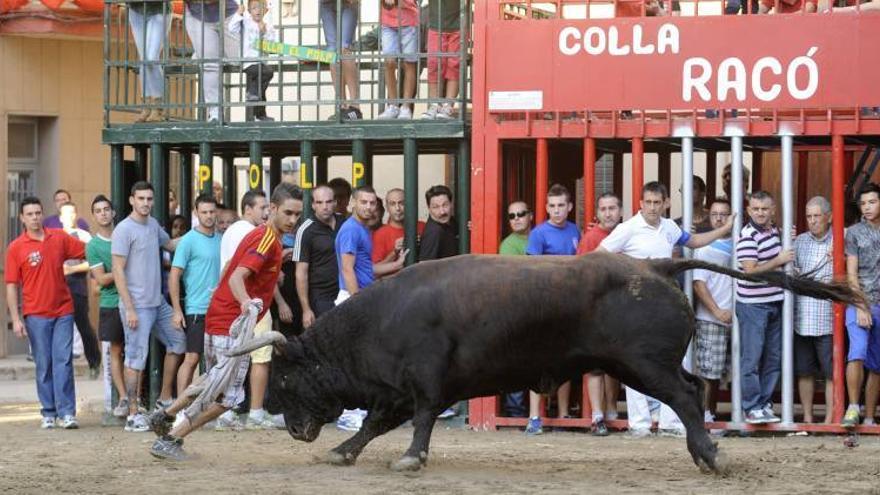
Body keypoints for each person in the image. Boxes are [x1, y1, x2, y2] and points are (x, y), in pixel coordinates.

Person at [148, 183, 303, 460]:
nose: (293, 220)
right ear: (274, 209)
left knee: (211, 379)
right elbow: (235, 277)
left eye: (297, 215)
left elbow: (230, 270)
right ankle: (170, 438)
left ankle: (166, 414)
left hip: (220, 317)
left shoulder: (263, 236)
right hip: (233, 323)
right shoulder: (266, 239)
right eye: (288, 213)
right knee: (229, 398)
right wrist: (246, 303)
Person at [597, 181, 734, 437]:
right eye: (647, 202)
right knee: (635, 362)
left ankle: (670, 422)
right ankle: (639, 424)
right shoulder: (627, 229)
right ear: (640, 204)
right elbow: (600, 255)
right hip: (634, 306)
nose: (651, 207)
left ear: (666, 203)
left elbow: (693, 240)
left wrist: (725, 229)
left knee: (671, 361)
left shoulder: (670, 227)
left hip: (663, 307)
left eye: (656, 203)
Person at [5, 197, 86, 429]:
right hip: (35, 314)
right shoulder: (16, 247)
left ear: (43, 214)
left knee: (63, 362)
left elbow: (86, 251)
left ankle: (67, 412)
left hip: (63, 310)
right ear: (22, 218)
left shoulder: (58, 237)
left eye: (38, 213)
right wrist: (16, 318)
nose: (35, 217)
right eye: (30, 214)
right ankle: (49, 412)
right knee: (44, 364)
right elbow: (11, 284)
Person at [112, 181, 186, 432]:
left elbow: (171, 245)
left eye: (149, 199)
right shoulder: (123, 229)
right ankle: (133, 415)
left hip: (158, 303)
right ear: (132, 200)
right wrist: (130, 309)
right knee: (136, 358)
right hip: (137, 307)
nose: (145, 203)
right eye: (141, 198)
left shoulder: (153, 225)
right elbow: (118, 271)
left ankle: (164, 399)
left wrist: (200, 231)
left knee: (179, 342)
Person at [334, 185, 408, 431]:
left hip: (361, 297)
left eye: (371, 203)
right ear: (352, 204)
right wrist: (357, 303)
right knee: (353, 360)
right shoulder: (351, 230)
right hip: (353, 299)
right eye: (363, 202)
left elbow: (367, 269)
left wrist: (396, 264)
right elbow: (347, 269)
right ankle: (348, 413)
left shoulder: (362, 229)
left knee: (362, 358)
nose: (368, 206)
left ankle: (356, 410)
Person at [219, 189, 287, 430]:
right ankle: (255, 412)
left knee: (231, 359)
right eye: (262, 207)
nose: (267, 212)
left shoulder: (230, 232)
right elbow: (239, 270)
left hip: (234, 304)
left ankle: (226, 413)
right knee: (259, 358)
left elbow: (229, 268)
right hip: (250, 304)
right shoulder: (256, 233)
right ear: (248, 209)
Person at [523, 184, 581, 435]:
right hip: (544, 305)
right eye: (552, 206)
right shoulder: (538, 234)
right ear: (546, 208)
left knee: (567, 360)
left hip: (568, 305)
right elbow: (533, 270)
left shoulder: (575, 230)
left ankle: (564, 414)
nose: (556, 210)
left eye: (561, 205)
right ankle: (535, 417)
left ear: (569, 207)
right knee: (538, 360)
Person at [735, 190, 793, 424]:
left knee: (773, 357)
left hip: (774, 302)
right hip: (752, 305)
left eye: (764, 209)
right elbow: (750, 271)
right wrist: (778, 261)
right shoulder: (748, 235)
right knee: (752, 358)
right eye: (756, 209)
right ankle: (751, 407)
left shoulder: (776, 231)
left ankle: (764, 404)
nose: (760, 213)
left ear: (773, 210)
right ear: (749, 210)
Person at [576, 192, 623, 436]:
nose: (608, 213)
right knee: (594, 363)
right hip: (594, 309)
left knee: (616, 363)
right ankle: (597, 415)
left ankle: (613, 410)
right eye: (603, 208)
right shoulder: (590, 238)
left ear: (621, 210)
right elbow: (580, 273)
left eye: (612, 207)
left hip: (619, 309)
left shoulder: (627, 234)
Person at [169, 194, 222, 400]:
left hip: (218, 309)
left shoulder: (221, 239)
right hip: (196, 309)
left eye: (212, 212)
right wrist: (177, 310)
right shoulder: (188, 240)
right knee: (192, 357)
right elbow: (174, 275)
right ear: (196, 213)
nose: (209, 216)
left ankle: (212, 404)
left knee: (219, 360)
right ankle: (180, 405)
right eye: (204, 212)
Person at [691, 199, 734, 428]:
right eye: (715, 214)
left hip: (736, 319)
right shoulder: (705, 247)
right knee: (709, 372)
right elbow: (699, 284)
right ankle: (707, 416)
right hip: (711, 318)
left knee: (726, 373)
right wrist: (716, 311)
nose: (719, 218)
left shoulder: (740, 243)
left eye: (724, 214)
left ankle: (715, 414)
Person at [87, 195, 130, 418]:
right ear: (94, 216)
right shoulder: (93, 246)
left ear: (113, 212)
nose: (103, 213)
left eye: (106, 209)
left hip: (134, 300)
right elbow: (101, 279)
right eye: (98, 210)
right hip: (111, 303)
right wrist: (123, 270)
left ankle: (136, 396)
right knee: (115, 350)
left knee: (135, 351)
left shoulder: (124, 234)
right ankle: (123, 397)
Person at [792, 196, 834, 424]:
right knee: (804, 371)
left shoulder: (839, 241)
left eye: (817, 216)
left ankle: (829, 419)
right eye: (809, 216)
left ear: (829, 217)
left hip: (827, 320)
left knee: (830, 372)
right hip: (802, 318)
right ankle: (807, 417)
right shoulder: (799, 242)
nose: (812, 221)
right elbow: (793, 274)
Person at [842, 182, 880, 427]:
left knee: (877, 363)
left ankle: (868, 417)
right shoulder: (854, 232)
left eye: (872, 202)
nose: (866, 207)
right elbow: (851, 273)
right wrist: (860, 305)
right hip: (860, 302)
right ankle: (853, 408)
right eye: (863, 203)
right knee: (856, 352)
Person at [498, 200, 532, 418]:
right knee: (517, 358)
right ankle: (515, 411)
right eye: (511, 216)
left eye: (520, 214)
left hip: (537, 308)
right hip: (518, 308)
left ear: (530, 215)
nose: (517, 218)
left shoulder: (539, 236)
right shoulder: (508, 245)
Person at [58, 202, 101, 377]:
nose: (68, 217)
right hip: (58, 287)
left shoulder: (83, 236)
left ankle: (94, 362)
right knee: (60, 328)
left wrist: (72, 269)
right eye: (65, 214)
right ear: (60, 217)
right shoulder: (54, 236)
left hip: (77, 286)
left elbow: (93, 261)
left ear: (76, 215)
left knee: (83, 324)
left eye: (71, 213)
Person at [293, 185, 343, 330]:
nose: (325, 206)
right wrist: (306, 309)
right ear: (313, 205)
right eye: (320, 203)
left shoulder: (344, 222)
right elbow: (300, 273)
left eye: (328, 202)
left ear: (335, 203)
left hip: (344, 293)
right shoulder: (306, 230)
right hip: (320, 298)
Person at [184, 0, 238, 122]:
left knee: (239, 59)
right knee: (209, 64)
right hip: (198, 16)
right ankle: (215, 113)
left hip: (228, 14)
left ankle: (202, 52)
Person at [228, 0, 277, 122]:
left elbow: (272, 45)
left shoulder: (268, 26)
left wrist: (264, 33)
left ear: (265, 10)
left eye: (261, 7)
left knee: (261, 89)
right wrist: (238, 14)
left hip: (262, 62)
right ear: (249, 11)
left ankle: (260, 114)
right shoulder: (245, 22)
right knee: (267, 73)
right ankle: (252, 94)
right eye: (254, 8)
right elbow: (231, 28)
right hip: (248, 61)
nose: (258, 10)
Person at [125, 0, 170, 122]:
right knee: (143, 59)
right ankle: (147, 105)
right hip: (135, 10)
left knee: (151, 58)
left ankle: (158, 104)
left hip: (159, 9)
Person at [422, 0, 465, 119]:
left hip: (458, 24)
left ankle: (448, 106)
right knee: (434, 63)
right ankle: (434, 105)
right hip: (436, 25)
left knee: (454, 64)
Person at [376, 0, 419, 120]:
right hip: (387, 22)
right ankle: (393, 105)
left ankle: (406, 106)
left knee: (409, 63)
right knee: (389, 62)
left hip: (409, 20)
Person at [320, 0, 361, 120]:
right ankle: (341, 105)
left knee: (344, 48)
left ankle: (355, 105)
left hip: (349, 3)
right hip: (326, 3)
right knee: (332, 52)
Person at [372, 188, 425, 269]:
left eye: (401, 203)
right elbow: (375, 271)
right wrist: (395, 252)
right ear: (387, 207)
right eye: (392, 204)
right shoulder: (380, 234)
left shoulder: (422, 227)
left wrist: (422, 243)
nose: (397, 208)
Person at [418, 185, 459, 261]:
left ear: (451, 204)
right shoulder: (434, 232)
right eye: (436, 207)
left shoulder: (452, 222)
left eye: (445, 205)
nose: (442, 212)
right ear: (429, 208)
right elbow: (424, 267)